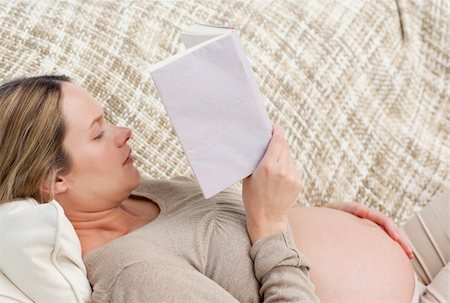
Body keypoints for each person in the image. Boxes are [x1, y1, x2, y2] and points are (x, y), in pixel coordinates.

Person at [0, 75, 446, 302]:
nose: (124, 132)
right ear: (53, 179)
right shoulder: (132, 276)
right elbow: (261, 232)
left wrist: (323, 217)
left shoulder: (141, 194)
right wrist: (271, 225)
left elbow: (235, 243)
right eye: (99, 133)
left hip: (408, 252)